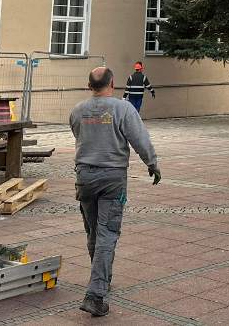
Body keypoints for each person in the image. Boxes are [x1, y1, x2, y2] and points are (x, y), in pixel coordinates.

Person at [69, 67, 161, 317]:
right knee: (107, 233)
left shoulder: (78, 110)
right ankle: (96, 294)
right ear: (113, 83)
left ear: (89, 85)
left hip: (85, 177)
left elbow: (78, 135)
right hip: (112, 177)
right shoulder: (123, 108)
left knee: (93, 233)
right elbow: (140, 139)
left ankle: (101, 280)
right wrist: (152, 163)